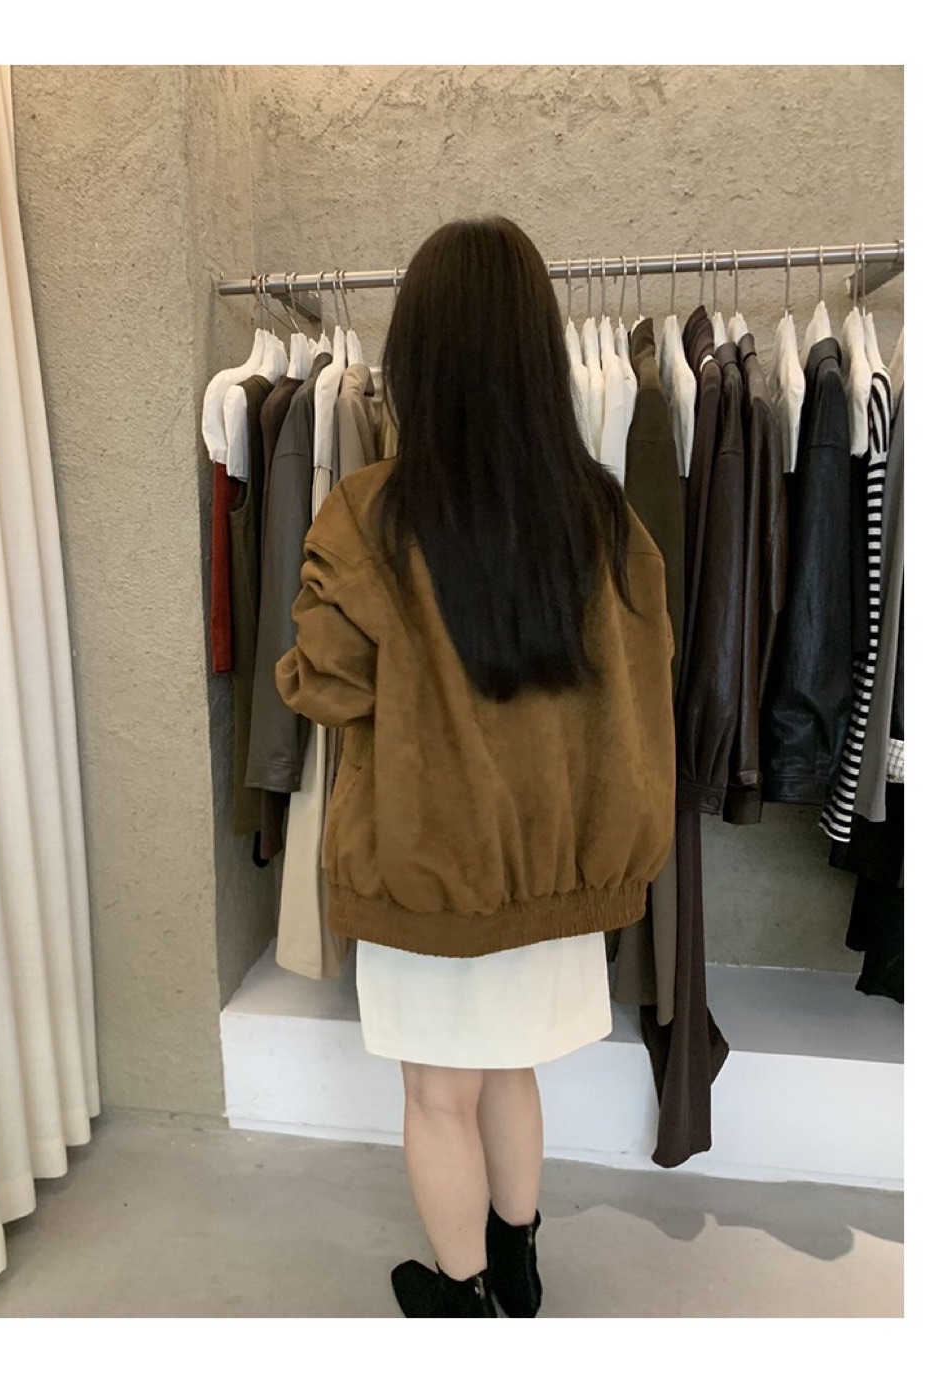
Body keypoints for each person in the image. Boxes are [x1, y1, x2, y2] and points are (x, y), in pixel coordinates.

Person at [276, 216, 676, 1318]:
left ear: (419, 354)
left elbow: (324, 684)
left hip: (431, 872)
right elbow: (640, 696)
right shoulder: (602, 516)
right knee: (511, 1067)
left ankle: (460, 1303)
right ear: (539, 352)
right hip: (553, 875)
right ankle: (518, 1263)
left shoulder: (369, 515)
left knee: (437, 1096)